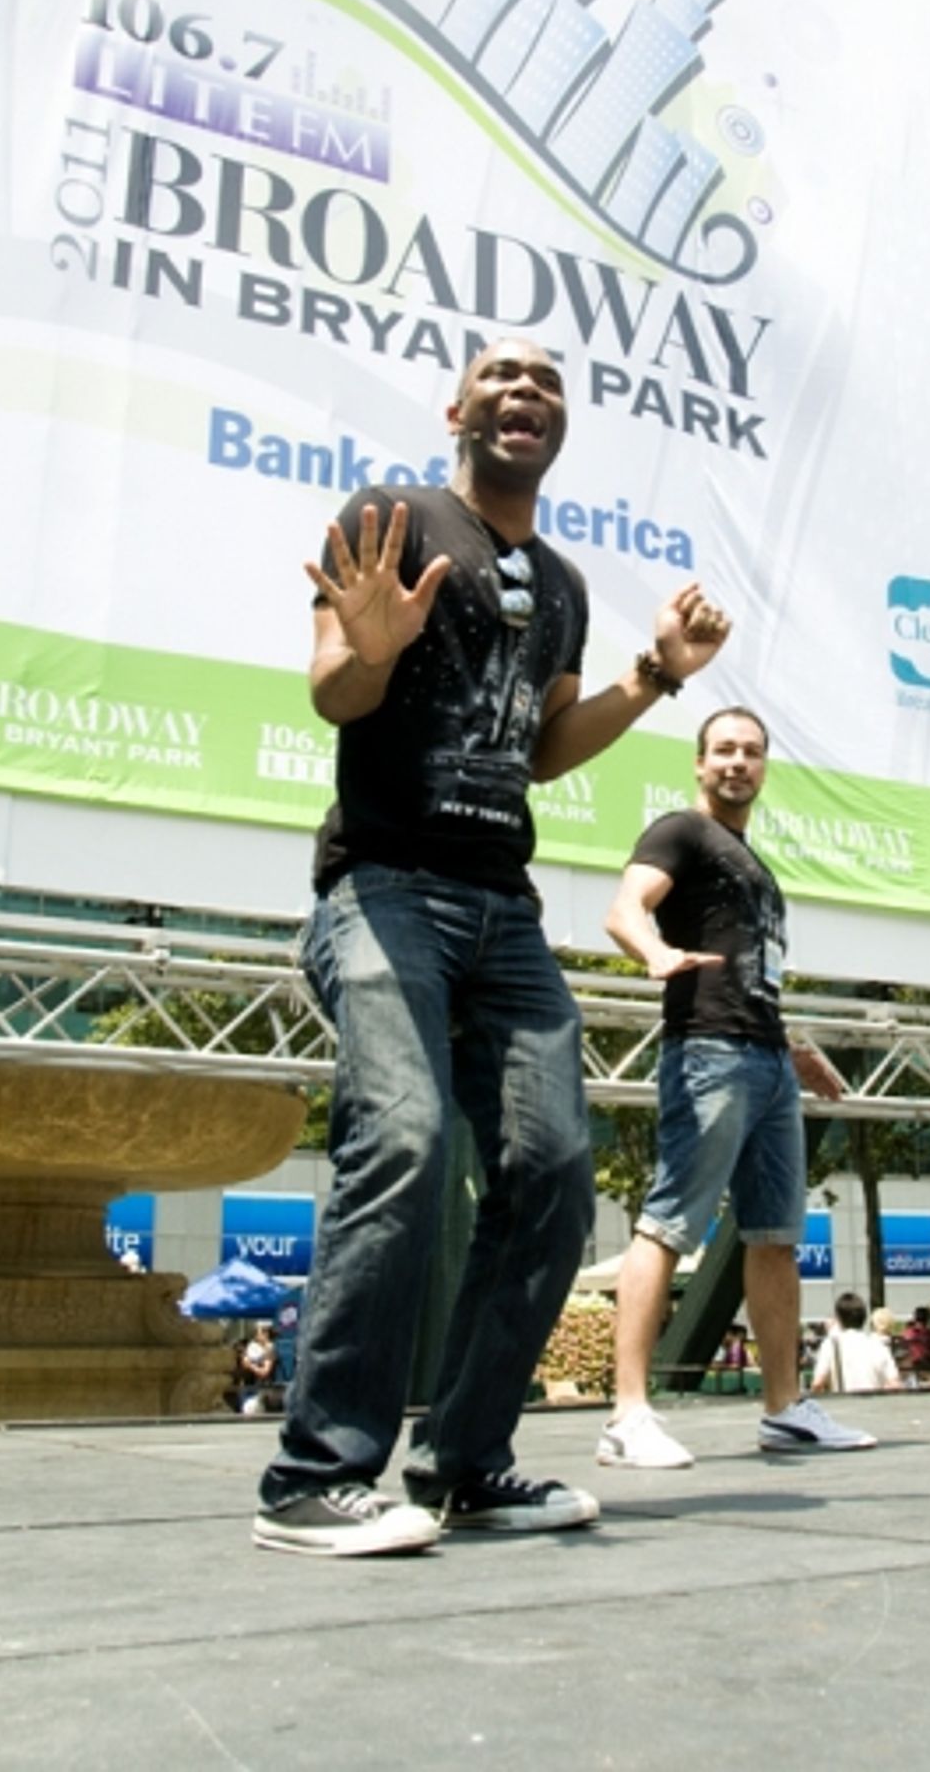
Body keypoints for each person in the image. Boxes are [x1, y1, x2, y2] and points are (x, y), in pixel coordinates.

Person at [254, 336, 731, 1556]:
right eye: (502, 377)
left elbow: (540, 745)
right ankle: (317, 1475)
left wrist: (653, 677)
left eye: (550, 382)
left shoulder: (561, 581)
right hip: (384, 888)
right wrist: (368, 646)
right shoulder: (391, 516)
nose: (527, 392)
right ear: (456, 406)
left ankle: (465, 1458)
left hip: (500, 908)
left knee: (555, 1173)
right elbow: (333, 692)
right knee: (403, 1139)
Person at [594, 707, 878, 1468]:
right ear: (698, 762)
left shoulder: (757, 866)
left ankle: (785, 1408)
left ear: (763, 767)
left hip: (768, 1062)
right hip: (708, 1055)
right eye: (723, 749)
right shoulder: (679, 832)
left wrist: (796, 1046)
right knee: (668, 1223)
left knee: (776, 1235)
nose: (737, 762)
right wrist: (652, 952)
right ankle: (627, 1414)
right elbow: (625, 909)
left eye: (751, 752)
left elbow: (757, 977)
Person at [811, 1291, 900, 1394]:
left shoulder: (831, 1345)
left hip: (843, 1406)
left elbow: (817, 1384)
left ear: (839, 1319)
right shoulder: (878, 1345)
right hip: (874, 1407)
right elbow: (895, 1385)